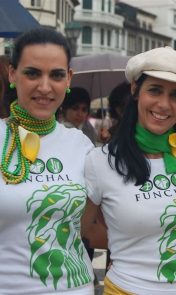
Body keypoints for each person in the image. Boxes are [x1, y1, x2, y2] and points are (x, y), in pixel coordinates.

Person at [81, 46, 176, 294]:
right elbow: (77, 232)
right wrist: (124, 244)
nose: (164, 105)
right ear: (135, 90)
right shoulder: (100, 162)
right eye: (155, 90)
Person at [0, 28, 94, 294]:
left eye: (56, 75)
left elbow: (86, 223)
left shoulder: (82, 146)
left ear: (68, 79)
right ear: (12, 74)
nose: (44, 86)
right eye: (32, 73)